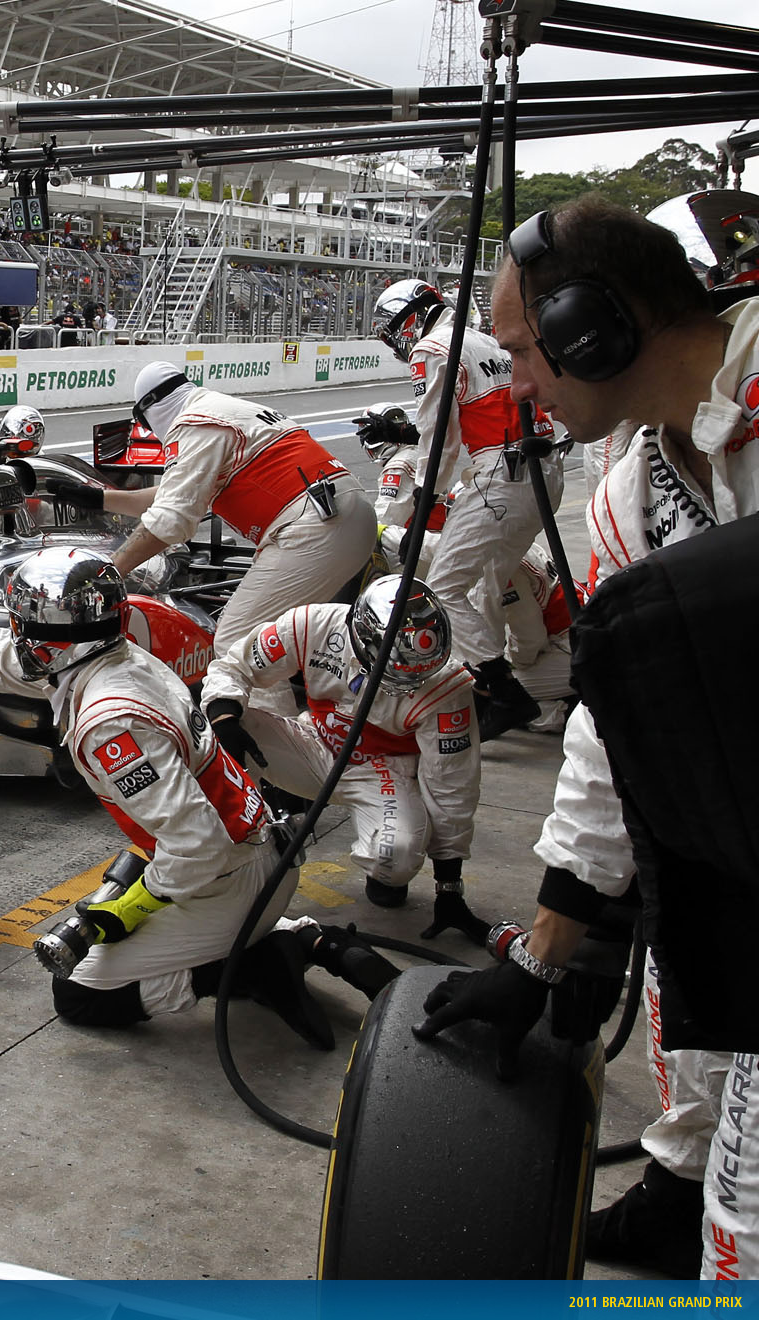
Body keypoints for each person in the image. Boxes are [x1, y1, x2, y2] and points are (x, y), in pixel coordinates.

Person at [412, 196, 759, 1281]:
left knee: (746, 1238)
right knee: (678, 970)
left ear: (593, 328)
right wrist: (550, 947)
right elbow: (617, 721)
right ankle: (675, 1193)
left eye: (521, 351)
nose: (514, 383)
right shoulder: (627, 496)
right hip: (734, 857)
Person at [0, 547, 398, 1042]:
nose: (14, 632)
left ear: (52, 636)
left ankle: (261, 962)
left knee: (79, 992)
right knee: (138, 874)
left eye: (22, 621)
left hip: (229, 874)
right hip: (252, 846)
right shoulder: (117, 655)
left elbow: (198, 846)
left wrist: (135, 905)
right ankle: (295, 936)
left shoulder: (109, 724)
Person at [203, 577, 479, 911]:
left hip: (381, 772)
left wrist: (448, 885)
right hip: (312, 743)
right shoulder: (311, 625)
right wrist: (224, 718)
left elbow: (452, 784)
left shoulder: (447, 687)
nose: (409, 680)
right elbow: (234, 667)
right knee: (212, 731)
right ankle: (221, 834)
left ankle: (382, 872)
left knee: (396, 859)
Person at [80, 364, 374, 664]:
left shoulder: (193, 423)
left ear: (149, 410)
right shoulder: (222, 408)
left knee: (238, 641)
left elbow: (170, 520)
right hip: (345, 513)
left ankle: (262, 697)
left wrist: (106, 574)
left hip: (316, 527)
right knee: (284, 639)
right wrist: (97, 498)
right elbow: (173, 494)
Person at [375, 276, 561, 738]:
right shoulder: (484, 341)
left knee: (444, 586)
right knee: (490, 585)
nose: (395, 342)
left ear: (409, 319)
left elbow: (439, 436)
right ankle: (494, 684)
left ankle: (502, 689)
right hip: (542, 470)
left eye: (392, 330)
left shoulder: (434, 348)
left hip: (503, 474)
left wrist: (423, 501)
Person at [354, 401, 458, 563]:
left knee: (369, 541)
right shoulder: (420, 452)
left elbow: (385, 519)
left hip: (424, 552)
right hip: (437, 540)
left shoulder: (399, 466)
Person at [496, 543, 574, 735]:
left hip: (572, 645)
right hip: (575, 633)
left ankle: (572, 713)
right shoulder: (518, 539)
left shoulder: (503, 564)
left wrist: (507, 662)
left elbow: (530, 641)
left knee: (498, 693)